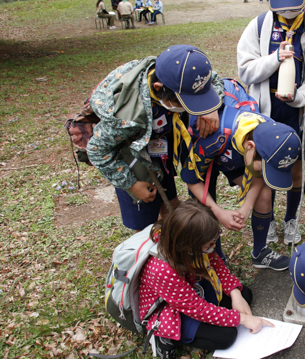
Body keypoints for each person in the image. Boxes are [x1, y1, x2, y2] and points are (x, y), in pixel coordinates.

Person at [87, 45, 222, 232]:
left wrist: (210, 109)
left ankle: (176, 242)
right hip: (133, 160)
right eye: (186, 102)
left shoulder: (185, 74)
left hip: (160, 149)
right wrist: (131, 184)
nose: (193, 108)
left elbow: (213, 80)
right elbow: (96, 150)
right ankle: (153, 254)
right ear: (159, 89)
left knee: (170, 203)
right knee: (145, 222)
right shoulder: (125, 118)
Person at [139, 200, 274, 359]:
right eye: (209, 244)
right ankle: (164, 338)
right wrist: (241, 319)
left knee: (244, 294)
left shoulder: (197, 242)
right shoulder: (162, 269)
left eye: (214, 240)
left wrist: (235, 293)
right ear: (188, 247)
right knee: (226, 337)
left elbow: (217, 265)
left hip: (192, 288)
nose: (213, 246)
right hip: (171, 309)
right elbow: (196, 308)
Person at [180, 104, 301, 271]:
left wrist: (246, 208)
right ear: (251, 146)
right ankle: (216, 259)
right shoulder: (213, 138)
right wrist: (219, 212)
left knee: (264, 195)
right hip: (207, 156)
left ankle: (260, 252)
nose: (263, 173)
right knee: (204, 210)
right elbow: (192, 180)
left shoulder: (270, 131)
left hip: (238, 156)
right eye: (262, 168)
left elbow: (258, 175)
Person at [237, 0, 305, 247]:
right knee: (266, 166)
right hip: (265, 111)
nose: (288, 9)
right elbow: (245, 71)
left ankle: (291, 219)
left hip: (296, 110)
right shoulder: (260, 25)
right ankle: (269, 220)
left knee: (296, 168)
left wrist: (298, 97)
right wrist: (275, 58)